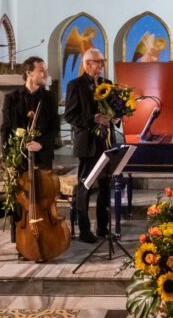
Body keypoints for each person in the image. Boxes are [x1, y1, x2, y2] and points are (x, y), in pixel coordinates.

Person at [64, 48, 113, 243]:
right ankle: (84, 230)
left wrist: (114, 117)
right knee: (85, 187)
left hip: (106, 142)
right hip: (87, 144)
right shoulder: (75, 85)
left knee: (105, 187)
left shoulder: (107, 84)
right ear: (87, 64)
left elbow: (113, 109)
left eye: (103, 61)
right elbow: (70, 115)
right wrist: (93, 119)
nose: (101, 65)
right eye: (98, 62)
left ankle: (102, 227)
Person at [0, 56, 60, 172]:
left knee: (43, 189)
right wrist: (7, 156)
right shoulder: (11, 98)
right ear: (29, 73)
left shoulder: (49, 97)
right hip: (18, 156)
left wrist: (41, 144)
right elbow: (5, 128)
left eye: (46, 70)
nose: (46, 74)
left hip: (42, 155)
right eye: (41, 70)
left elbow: (55, 128)